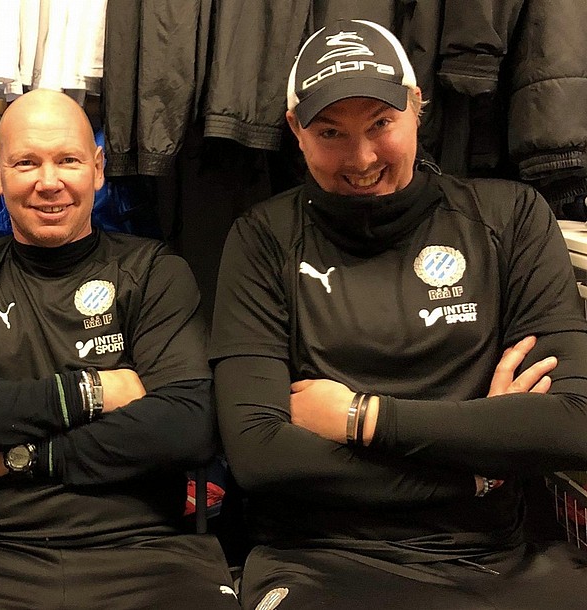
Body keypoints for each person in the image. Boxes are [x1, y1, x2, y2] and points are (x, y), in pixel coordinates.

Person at [210, 18, 587, 609]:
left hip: (494, 555)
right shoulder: (263, 239)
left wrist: (364, 417)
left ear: (417, 108)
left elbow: (573, 422)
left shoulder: (510, 217)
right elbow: (260, 454)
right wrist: (481, 468)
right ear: (296, 130)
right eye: (330, 131)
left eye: (381, 123)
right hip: (318, 558)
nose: (360, 157)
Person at [0, 89, 240, 609]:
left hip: (148, 552)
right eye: (26, 163)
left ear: (98, 169)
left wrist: (23, 456)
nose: (49, 182)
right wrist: (92, 391)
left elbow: (188, 423)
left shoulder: (154, 271)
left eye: (68, 161)